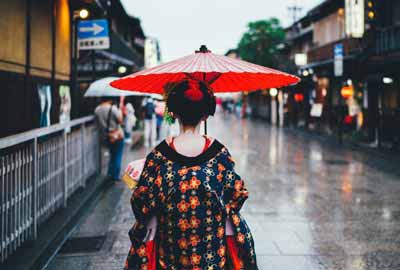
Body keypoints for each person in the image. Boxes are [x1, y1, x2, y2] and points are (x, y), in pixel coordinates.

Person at [124, 79, 258, 270]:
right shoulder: (219, 153)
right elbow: (238, 194)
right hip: (211, 250)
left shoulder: (159, 155)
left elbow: (141, 202)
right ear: (205, 115)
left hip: (171, 251)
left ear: (175, 113)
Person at [94, 98, 124, 181]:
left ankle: (109, 173)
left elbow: (97, 123)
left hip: (106, 136)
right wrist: (120, 110)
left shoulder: (97, 110)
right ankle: (115, 176)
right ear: (110, 99)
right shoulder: (113, 108)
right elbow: (121, 121)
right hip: (117, 136)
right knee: (117, 155)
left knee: (112, 155)